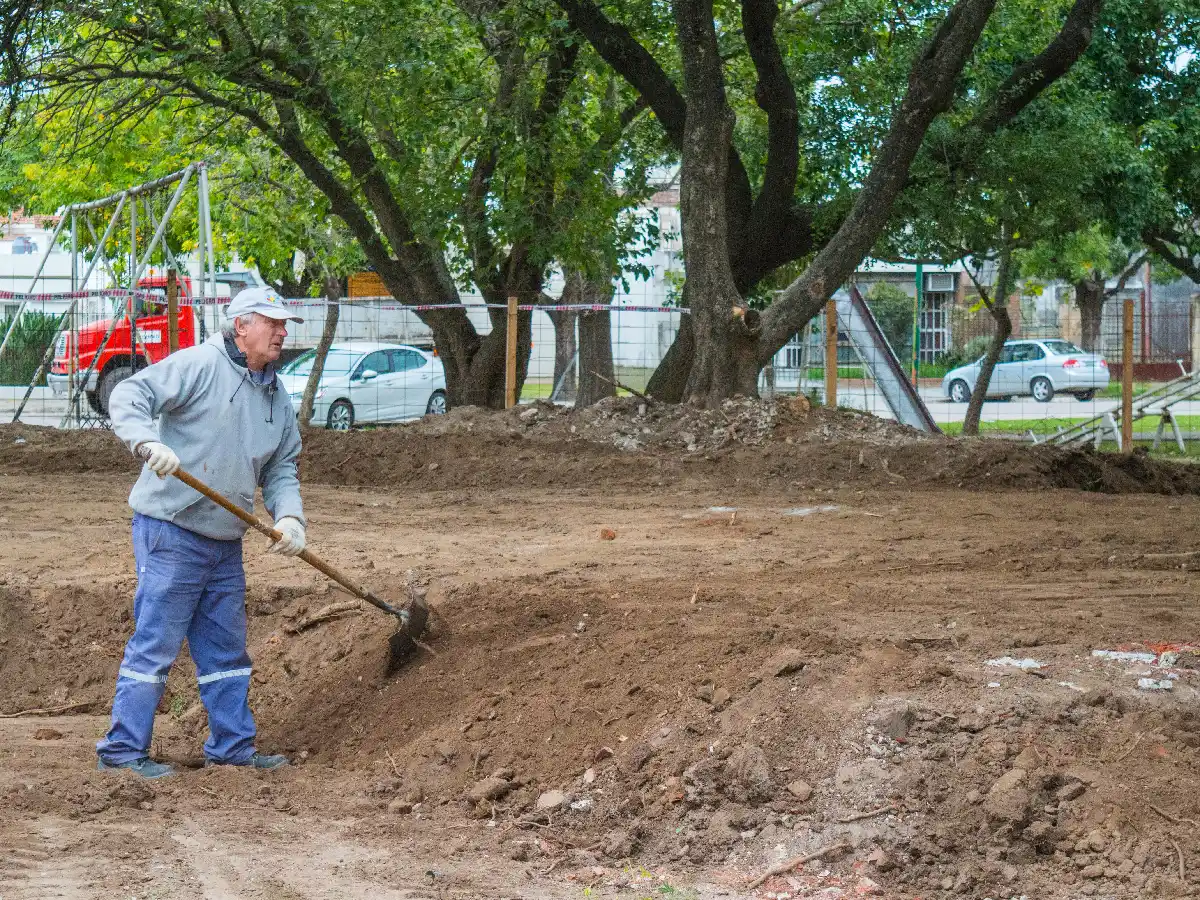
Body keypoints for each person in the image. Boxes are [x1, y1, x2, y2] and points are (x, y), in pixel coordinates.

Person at [96, 287, 307, 778]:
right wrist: (146, 441)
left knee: (226, 651)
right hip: (172, 530)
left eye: (283, 324)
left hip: (224, 539)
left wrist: (290, 516)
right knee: (156, 644)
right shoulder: (198, 365)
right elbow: (129, 393)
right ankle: (123, 753)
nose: (281, 331)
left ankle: (232, 747)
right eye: (271, 323)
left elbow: (282, 466)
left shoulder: (276, 393)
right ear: (241, 327)